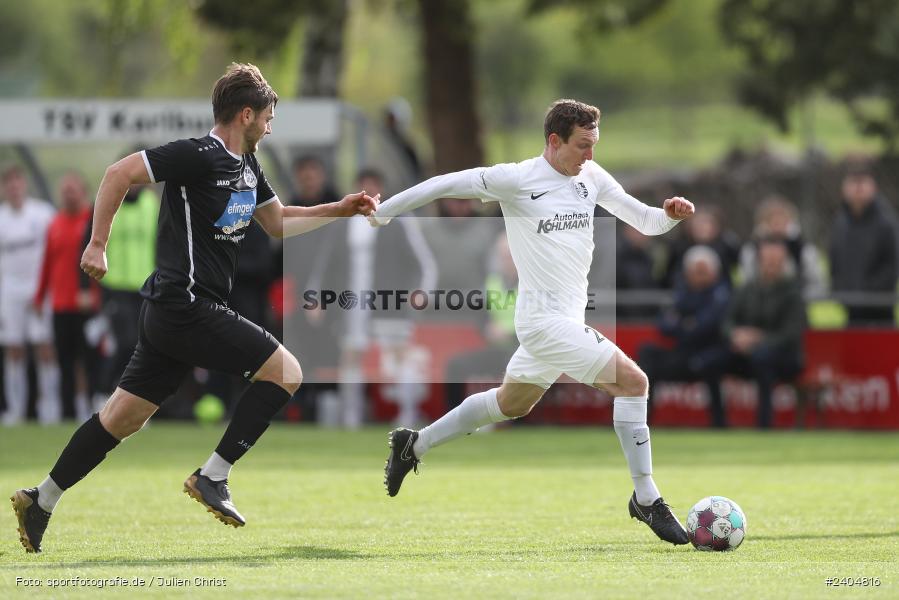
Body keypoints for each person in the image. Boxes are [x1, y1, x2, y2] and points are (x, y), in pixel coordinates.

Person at [10, 63, 377, 554]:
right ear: (245, 115)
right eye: (267, 118)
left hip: (176, 313)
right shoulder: (196, 155)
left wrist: (339, 209)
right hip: (185, 305)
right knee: (287, 372)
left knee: (122, 418)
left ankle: (41, 500)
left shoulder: (248, 166)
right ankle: (213, 476)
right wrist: (97, 243)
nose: (270, 128)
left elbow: (276, 223)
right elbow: (118, 173)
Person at [373, 99, 695, 546]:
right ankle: (647, 498)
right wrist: (385, 210)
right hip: (542, 323)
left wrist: (669, 216)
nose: (590, 155)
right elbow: (445, 183)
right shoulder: (518, 179)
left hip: (565, 320)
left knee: (511, 403)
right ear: (554, 141)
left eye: (594, 145)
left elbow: (645, 220)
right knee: (634, 382)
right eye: (582, 146)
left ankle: (413, 445)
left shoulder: (591, 176)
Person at [707, 238, 806, 429]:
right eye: (767, 260)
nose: (770, 266)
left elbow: (790, 334)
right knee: (710, 362)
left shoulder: (793, 293)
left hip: (783, 357)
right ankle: (718, 423)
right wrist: (735, 335)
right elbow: (727, 321)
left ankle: (764, 424)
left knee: (763, 361)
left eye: (776, 262)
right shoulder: (746, 289)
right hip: (745, 353)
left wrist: (758, 339)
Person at [638, 246, 731, 426]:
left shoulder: (721, 294)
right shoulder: (682, 292)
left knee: (712, 363)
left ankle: (719, 423)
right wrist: (687, 325)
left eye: (703, 272)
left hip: (709, 352)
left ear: (714, 273)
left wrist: (682, 324)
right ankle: (641, 419)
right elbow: (663, 325)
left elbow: (706, 326)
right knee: (647, 353)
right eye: (694, 272)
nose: (698, 277)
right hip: (683, 352)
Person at [33, 172, 98, 422]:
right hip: (60, 305)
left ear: (83, 192)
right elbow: (47, 264)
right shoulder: (55, 223)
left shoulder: (93, 222)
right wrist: (40, 297)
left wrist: (96, 296)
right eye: (65, 190)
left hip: (86, 305)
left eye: (72, 190)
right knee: (65, 362)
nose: (68, 195)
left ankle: (93, 412)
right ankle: (66, 413)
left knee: (89, 362)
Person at [0, 165, 59, 426]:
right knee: (14, 349)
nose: (13, 187)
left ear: (24, 184)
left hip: (39, 290)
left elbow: (57, 249)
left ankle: (50, 409)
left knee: (44, 347)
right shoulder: (1, 218)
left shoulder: (43, 213)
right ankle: (16, 410)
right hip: (9, 291)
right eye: (8, 183)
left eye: (17, 181)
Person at [829, 162, 898, 326]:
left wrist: (865, 292)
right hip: (850, 309)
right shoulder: (840, 223)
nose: (858, 189)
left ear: (873, 187)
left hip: (880, 309)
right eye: (853, 183)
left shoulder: (886, 224)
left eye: (862, 183)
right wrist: (842, 291)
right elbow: (834, 261)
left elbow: (892, 265)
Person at [738, 195, 825, 299]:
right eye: (772, 220)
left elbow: (817, 283)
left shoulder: (803, 250)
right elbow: (746, 282)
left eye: (781, 220)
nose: (777, 225)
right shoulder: (752, 250)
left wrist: (797, 299)